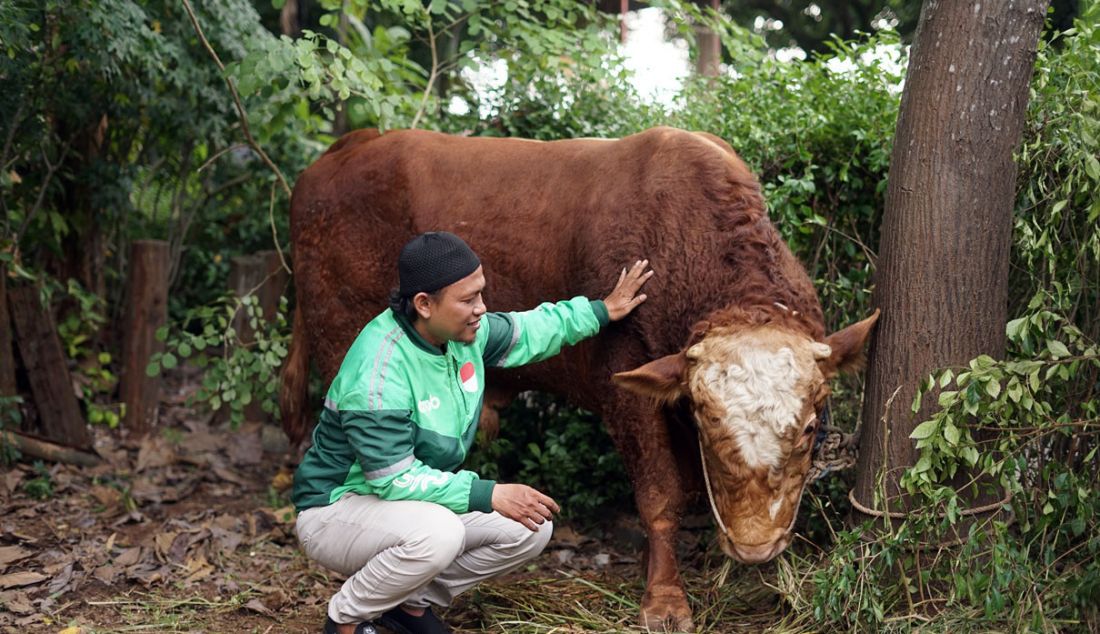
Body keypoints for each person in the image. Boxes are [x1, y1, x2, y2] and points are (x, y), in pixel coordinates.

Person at [292, 231, 653, 634]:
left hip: (412, 503)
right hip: (339, 509)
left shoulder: (461, 335)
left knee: (529, 527)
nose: (481, 309)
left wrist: (602, 311)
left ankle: (409, 606)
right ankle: (346, 617)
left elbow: (528, 329)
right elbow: (394, 479)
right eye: (468, 300)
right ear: (424, 304)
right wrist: (489, 493)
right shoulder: (379, 370)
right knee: (439, 534)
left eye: (481, 294)